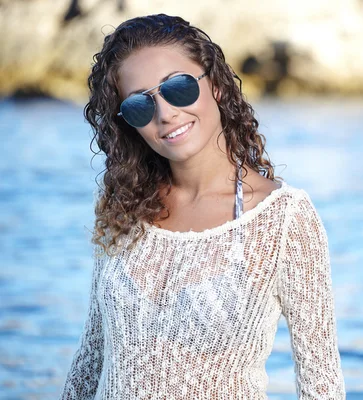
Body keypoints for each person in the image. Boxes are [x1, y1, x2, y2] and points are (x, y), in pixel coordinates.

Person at [58, 13, 346, 400]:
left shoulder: (283, 220)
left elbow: (322, 385)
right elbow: (90, 361)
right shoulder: (123, 206)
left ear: (218, 86)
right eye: (140, 106)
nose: (166, 114)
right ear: (128, 123)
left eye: (178, 88)